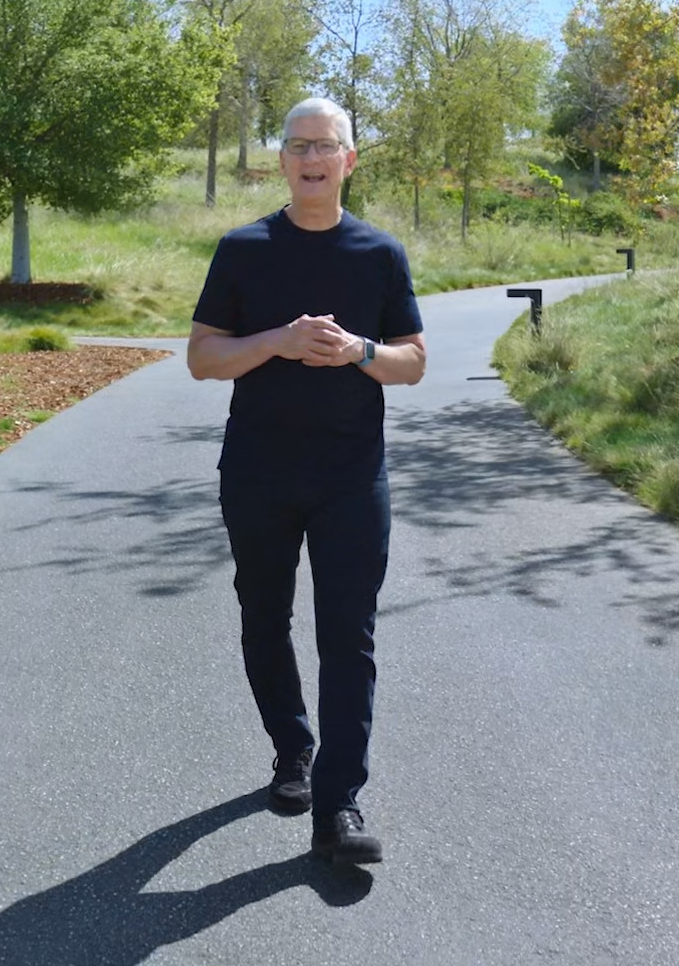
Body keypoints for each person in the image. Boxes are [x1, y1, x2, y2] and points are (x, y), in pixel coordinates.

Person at [187, 96, 426, 866]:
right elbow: (203, 358)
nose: (312, 158)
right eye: (298, 146)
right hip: (258, 472)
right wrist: (279, 341)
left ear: (349, 160)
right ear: (282, 161)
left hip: (352, 476)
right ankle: (292, 749)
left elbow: (413, 362)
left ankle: (339, 805)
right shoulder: (244, 249)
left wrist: (359, 351)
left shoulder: (380, 254)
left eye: (326, 146)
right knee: (265, 617)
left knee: (348, 635)